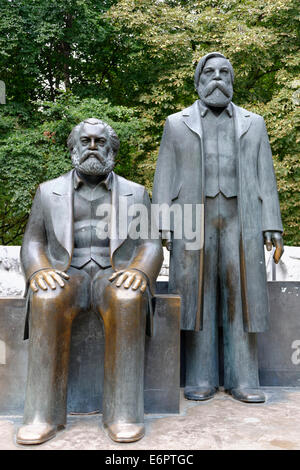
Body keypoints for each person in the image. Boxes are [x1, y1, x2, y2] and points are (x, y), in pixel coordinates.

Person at [17, 118, 163, 445]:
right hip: (67, 273)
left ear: (113, 150)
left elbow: (151, 245)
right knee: (46, 297)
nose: (93, 147)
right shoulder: (47, 192)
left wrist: (139, 271)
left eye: (101, 142)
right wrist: (39, 270)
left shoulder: (136, 193)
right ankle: (43, 415)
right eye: (86, 141)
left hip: (114, 272)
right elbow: (33, 243)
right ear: (73, 148)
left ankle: (123, 414)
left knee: (127, 298)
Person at [153, 52, 284, 403]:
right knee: (199, 295)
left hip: (243, 216)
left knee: (242, 294)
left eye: (224, 72)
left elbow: (265, 175)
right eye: (209, 72)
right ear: (197, 81)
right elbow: (165, 174)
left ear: (232, 80)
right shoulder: (175, 123)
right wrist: (162, 223)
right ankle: (201, 377)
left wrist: (273, 223)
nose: (217, 78)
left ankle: (244, 378)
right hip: (192, 217)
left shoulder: (253, 123)